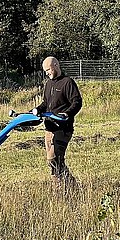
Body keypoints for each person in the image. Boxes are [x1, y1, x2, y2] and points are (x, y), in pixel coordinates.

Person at [32, 56, 82, 187]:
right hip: (49, 128)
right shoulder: (48, 84)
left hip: (63, 128)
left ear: (56, 65)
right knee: (51, 161)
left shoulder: (67, 82)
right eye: (45, 70)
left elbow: (77, 102)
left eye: (48, 69)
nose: (47, 72)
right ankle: (66, 185)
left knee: (56, 159)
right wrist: (37, 110)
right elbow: (45, 103)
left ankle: (65, 186)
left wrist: (67, 113)